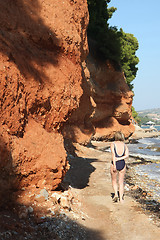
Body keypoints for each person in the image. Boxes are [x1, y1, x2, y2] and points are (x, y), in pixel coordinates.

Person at [110, 131, 129, 203]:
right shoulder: (124, 145)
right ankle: (121, 199)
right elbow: (127, 155)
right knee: (121, 182)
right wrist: (120, 158)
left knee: (114, 180)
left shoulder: (113, 144)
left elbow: (113, 155)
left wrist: (114, 164)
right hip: (122, 163)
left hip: (114, 163)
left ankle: (116, 195)